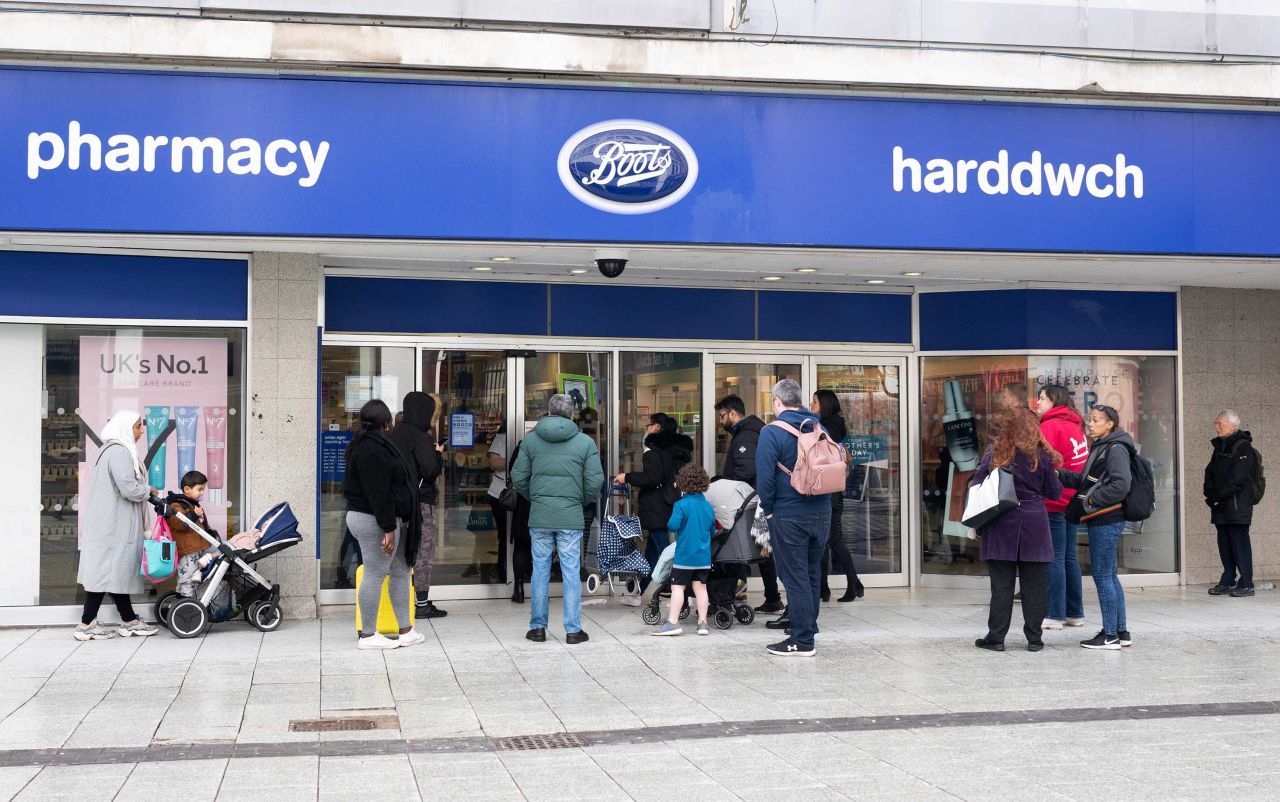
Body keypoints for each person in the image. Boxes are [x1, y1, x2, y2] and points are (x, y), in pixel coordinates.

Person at [513, 394, 605, 645]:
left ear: (549, 412)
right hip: (570, 516)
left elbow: (518, 476)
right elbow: (595, 480)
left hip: (540, 515)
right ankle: (573, 630)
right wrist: (579, 499)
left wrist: (537, 497)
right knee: (571, 572)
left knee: (540, 571)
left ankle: (538, 628)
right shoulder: (585, 443)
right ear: (571, 414)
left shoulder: (531, 441)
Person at [971, 408, 1062, 653]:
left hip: (1000, 523)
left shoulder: (995, 452)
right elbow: (1054, 493)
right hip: (1035, 524)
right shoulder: (1041, 456)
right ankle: (1034, 639)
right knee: (1035, 587)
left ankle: (996, 638)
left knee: (1001, 587)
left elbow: (976, 483)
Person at [756, 379, 830, 657]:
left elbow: (764, 479)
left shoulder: (772, 432)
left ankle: (801, 640)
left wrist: (770, 509)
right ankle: (808, 628)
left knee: (794, 577)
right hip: (822, 511)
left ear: (777, 401)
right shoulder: (818, 426)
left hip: (789, 514)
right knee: (811, 574)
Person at [344, 399, 425, 650]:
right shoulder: (372, 450)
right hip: (375, 520)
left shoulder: (369, 444)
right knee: (375, 574)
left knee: (401, 570)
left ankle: (405, 630)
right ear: (387, 422)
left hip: (379, 518)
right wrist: (388, 528)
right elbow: (378, 493)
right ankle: (368, 635)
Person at [74, 410, 161, 640]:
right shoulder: (120, 453)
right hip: (114, 526)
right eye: (137, 427)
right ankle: (86, 625)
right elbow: (129, 488)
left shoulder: (108, 451)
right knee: (106, 573)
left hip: (109, 524)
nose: (141, 431)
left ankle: (129, 620)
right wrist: (148, 491)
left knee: (112, 573)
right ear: (125, 428)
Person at [1058, 404, 1133, 651]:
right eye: (1089, 419)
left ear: (1109, 424)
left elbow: (1120, 485)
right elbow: (1085, 480)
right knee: (1110, 575)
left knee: (1102, 576)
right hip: (1102, 518)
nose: (1089, 424)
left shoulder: (1116, 448)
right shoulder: (1101, 447)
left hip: (1107, 518)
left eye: (1096, 420)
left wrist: (1092, 500)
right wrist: (1061, 475)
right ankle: (1121, 632)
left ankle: (1109, 635)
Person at [715, 395, 783, 615]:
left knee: (744, 548)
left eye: (722, 415)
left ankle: (732, 594)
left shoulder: (746, 436)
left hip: (750, 501)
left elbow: (746, 471)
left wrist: (722, 482)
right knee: (759, 550)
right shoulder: (755, 431)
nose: (720, 421)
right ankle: (769, 597)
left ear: (733, 413)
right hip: (756, 500)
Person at [613, 412, 693, 592]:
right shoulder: (674, 451)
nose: (645, 429)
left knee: (665, 551)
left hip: (655, 505)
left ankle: (681, 590)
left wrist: (627, 476)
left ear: (656, 427)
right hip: (668, 502)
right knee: (652, 552)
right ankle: (638, 591)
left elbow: (652, 476)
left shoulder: (653, 450)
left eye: (647, 425)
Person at [390, 391, 447, 619]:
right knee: (423, 552)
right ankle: (421, 604)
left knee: (397, 555)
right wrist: (438, 455)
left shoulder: (392, 433)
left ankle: (397, 602)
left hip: (395, 503)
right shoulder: (420, 437)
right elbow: (430, 471)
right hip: (420, 503)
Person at [1036, 384, 1088, 629]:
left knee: (1054, 557)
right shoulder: (1076, 426)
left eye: (1042, 397)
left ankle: (1054, 614)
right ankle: (1074, 613)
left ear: (1053, 401)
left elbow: (1042, 464)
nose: (1038, 402)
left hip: (1054, 500)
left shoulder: (1048, 426)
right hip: (1072, 500)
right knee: (1069, 557)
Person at [650, 464, 717, 637]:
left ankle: (672, 622)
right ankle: (703, 623)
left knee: (678, 588)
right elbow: (712, 531)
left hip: (684, 557)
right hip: (703, 558)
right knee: (701, 588)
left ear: (682, 484)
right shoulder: (708, 507)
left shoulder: (681, 505)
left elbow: (672, 526)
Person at [811, 390, 864, 604]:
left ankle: (853, 584)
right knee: (823, 541)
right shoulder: (830, 423)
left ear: (824, 404)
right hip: (827, 488)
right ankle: (823, 588)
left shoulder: (831, 425)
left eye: (814, 402)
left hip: (829, 490)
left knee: (832, 538)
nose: (811, 405)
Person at [1204, 409, 1257, 598]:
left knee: (1239, 543)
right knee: (1224, 544)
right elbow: (1209, 473)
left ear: (1232, 425)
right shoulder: (1219, 447)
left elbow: (1239, 478)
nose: (1216, 427)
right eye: (1216, 423)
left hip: (1237, 505)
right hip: (1220, 505)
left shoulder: (1243, 446)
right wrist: (1210, 495)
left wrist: (1219, 496)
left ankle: (1246, 582)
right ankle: (1228, 580)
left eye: (1220, 423)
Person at [166, 470, 219, 598]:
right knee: (187, 579)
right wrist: (194, 514)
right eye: (200, 489)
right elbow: (178, 524)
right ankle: (186, 604)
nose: (202, 492)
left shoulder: (191, 504)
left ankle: (179, 601)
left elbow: (201, 525)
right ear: (187, 489)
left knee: (221, 551)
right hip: (188, 550)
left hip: (196, 548)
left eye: (203, 489)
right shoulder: (177, 504)